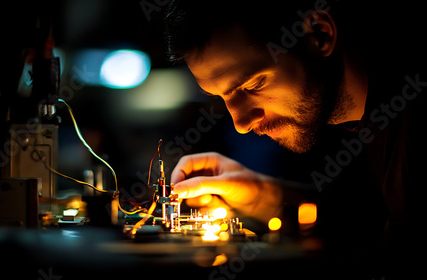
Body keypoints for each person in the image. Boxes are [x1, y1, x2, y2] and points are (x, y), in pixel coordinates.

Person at [164, 0, 426, 276]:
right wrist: (261, 195)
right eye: (222, 97)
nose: (240, 124)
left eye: (253, 84)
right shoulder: (362, 124)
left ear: (318, 35)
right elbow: (362, 222)